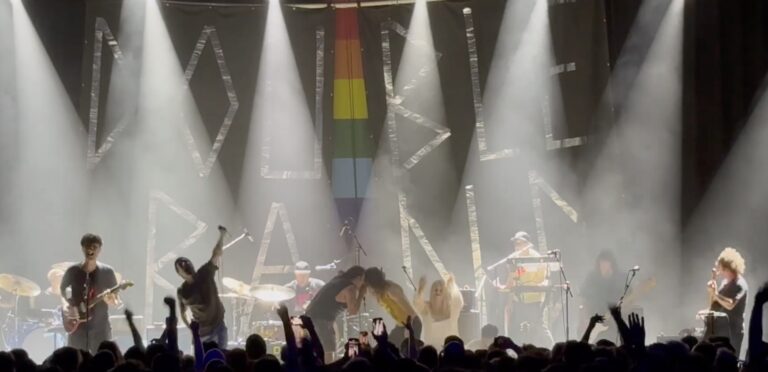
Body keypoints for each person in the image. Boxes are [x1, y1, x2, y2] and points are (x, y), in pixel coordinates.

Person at [60, 233, 120, 353]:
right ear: (82, 248)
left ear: (100, 250)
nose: (90, 250)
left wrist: (111, 300)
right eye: (87, 246)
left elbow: (116, 300)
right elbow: (62, 291)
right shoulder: (72, 270)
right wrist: (66, 306)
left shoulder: (107, 272)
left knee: (102, 360)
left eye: (94, 247)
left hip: (101, 328)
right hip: (77, 327)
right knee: (76, 360)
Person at [494, 231, 552, 346]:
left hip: (534, 299)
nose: (517, 246)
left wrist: (527, 283)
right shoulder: (514, 258)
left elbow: (542, 279)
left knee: (538, 325)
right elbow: (512, 280)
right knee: (520, 326)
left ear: (528, 244)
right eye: (516, 244)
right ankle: (522, 349)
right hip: (519, 298)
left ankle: (552, 347)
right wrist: (504, 288)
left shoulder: (536, 258)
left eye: (520, 243)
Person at [175, 225, 228, 347]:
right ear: (179, 273)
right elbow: (183, 313)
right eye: (180, 265)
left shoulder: (204, 272)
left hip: (218, 326)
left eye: (185, 262)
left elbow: (216, 254)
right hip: (202, 333)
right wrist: (191, 328)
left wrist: (222, 236)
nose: (184, 265)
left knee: (222, 356)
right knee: (204, 359)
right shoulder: (182, 291)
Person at [305, 266, 366, 361]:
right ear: (359, 278)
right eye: (363, 281)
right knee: (329, 350)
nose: (363, 284)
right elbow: (353, 311)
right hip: (321, 319)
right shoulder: (351, 288)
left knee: (315, 349)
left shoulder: (339, 279)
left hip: (310, 316)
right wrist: (361, 294)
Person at [364, 267, 421, 346]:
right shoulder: (380, 293)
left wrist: (409, 328)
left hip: (412, 324)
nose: (368, 289)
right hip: (401, 326)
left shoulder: (391, 290)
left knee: (408, 351)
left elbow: (411, 312)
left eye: (368, 286)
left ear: (373, 284)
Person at [708, 247, 748, 355]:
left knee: (729, 359)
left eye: (721, 269)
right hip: (721, 331)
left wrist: (716, 294)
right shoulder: (725, 283)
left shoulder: (740, 284)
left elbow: (730, 304)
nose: (720, 272)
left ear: (729, 268)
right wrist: (713, 289)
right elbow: (714, 304)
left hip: (733, 332)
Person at [579, 250, 624, 341]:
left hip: (611, 322)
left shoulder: (619, 278)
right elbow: (582, 299)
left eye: (606, 263)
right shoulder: (592, 277)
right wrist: (584, 319)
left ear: (612, 264)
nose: (603, 266)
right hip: (593, 319)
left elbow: (625, 299)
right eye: (601, 263)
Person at [413, 273, 463, 347]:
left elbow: (458, 301)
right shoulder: (426, 308)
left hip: (451, 348)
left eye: (441, 290)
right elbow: (417, 303)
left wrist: (452, 284)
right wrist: (420, 289)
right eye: (435, 290)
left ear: (445, 293)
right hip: (431, 349)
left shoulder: (452, 309)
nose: (438, 292)